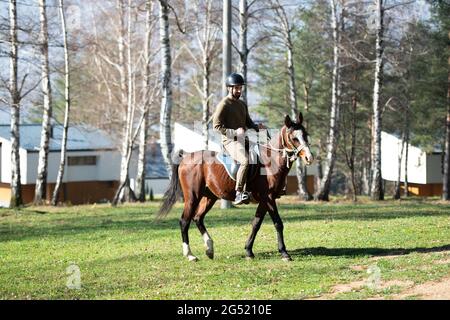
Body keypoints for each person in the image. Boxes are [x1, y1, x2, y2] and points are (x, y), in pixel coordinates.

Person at [212, 73, 263, 205]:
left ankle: (253, 190)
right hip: (229, 141)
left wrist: (257, 127)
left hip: (242, 139)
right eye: (236, 88)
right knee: (245, 160)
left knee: (261, 154)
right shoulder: (223, 104)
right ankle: (239, 193)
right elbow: (216, 127)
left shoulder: (242, 104)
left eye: (240, 88)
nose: (239, 90)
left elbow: (248, 123)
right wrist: (234, 132)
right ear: (229, 88)